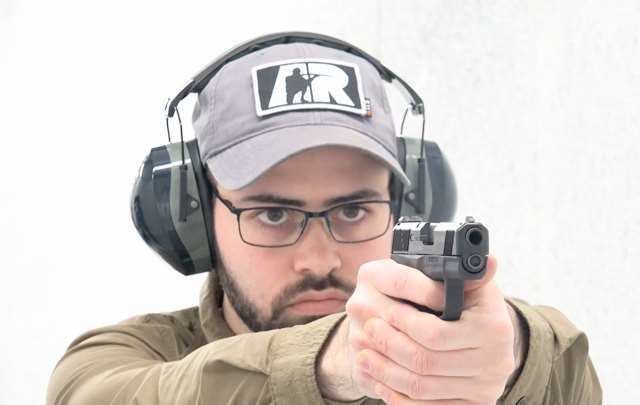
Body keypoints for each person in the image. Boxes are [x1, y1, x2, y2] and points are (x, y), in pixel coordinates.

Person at [47, 34, 602, 405]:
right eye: (271, 213)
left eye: (354, 209)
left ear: (406, 210)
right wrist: (343, 359)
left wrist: (511, 352)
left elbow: (566, 372)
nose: (319, 258)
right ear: (193, 216)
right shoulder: (126, 358)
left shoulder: (448, 365)